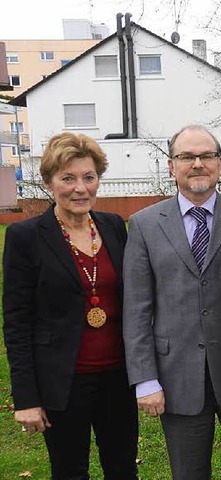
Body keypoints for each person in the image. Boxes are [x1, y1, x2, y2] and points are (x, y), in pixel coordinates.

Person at [122, 125, 221, 480]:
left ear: (219, 163)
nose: (197, 164)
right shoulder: (145, 225)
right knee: (189, 472)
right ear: (171, 165)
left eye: (206, 155)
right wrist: (145, 379)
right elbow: (136, 310)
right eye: (186, 157)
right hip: (176, 374)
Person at [2, 132, 138, 479]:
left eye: (88, 177)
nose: (80, 188)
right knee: (69, 471)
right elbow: (17, 322)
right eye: (68, 178)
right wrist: (27, 398)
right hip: (62, 380)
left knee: (122, 469)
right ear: (49, 183)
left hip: (117, 378)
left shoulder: (112, 227)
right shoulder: (26, 237)